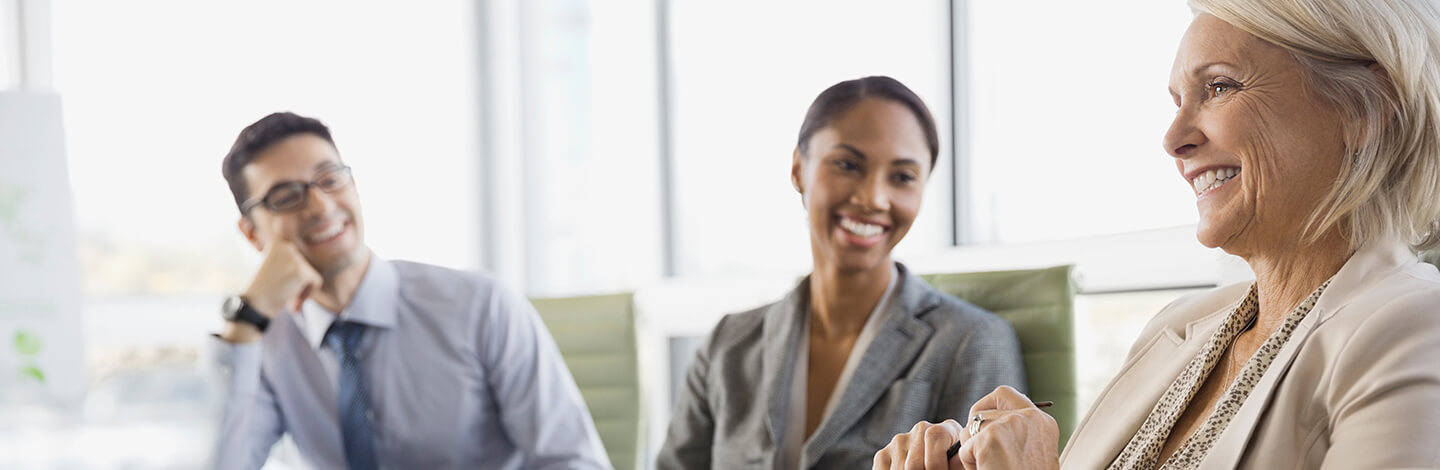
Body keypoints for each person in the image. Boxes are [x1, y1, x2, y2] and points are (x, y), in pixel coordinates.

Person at [874, 0, 1440, 468]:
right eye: (1177, 101)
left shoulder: (1412, 330)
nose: (1173, 138)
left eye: (1219, 87)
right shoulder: (1176, 327)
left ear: (1367, 110)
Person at [658, 76, 1027, 469]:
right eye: (848, 165)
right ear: (799, 169)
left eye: (902, 177)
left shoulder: (972, 343)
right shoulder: (728, 344)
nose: (873, 198)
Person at [208, 112, 611, 470]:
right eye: (286, 196)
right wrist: (247, 317)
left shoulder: (481, 306)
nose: (319, 205)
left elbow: (573, 461)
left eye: (330, 179)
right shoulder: (264, 345)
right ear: (251, 233)